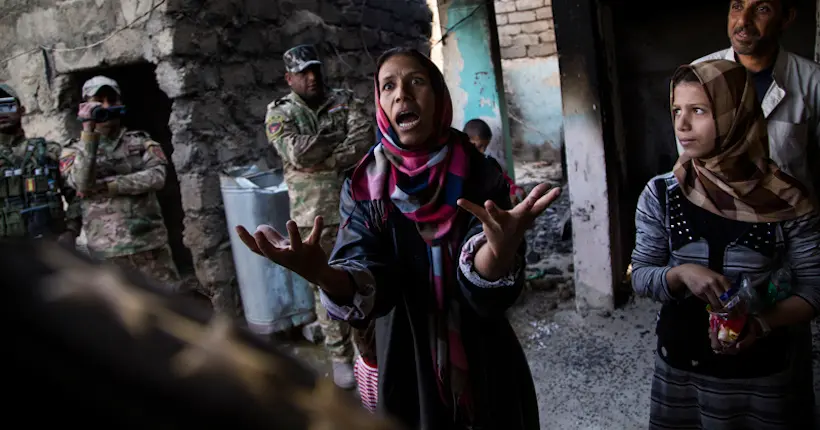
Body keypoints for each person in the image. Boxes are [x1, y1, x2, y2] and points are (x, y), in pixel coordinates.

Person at [239, 47, 552, 429]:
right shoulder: (364, 186)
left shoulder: (479, 171)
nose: (401, 93)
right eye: (388, 86)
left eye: (416, 81)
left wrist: (499, 253)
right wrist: (324, 274)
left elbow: (488, 280)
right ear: (381, 103)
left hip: (484, 354)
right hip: (405, 357)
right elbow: (370, 271)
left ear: (438, 95)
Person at [632, 59, 820, 429]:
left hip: (764, 377)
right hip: (681, 370)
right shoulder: (662, 193)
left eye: (698, 110)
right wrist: (681, 274)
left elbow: (814, 289)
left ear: (736, 114)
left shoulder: (788, 200)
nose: (681, 125)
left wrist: (762, 325)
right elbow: (640, 275)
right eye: (676, 111)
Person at [264, 44, 374, 390]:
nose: (312, 78)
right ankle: (339, 356)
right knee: (324, 284)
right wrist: (336, 143)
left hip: (357, 207)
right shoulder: (279, 113)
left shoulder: (345, 100)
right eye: (303, 73)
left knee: (361, 277)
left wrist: (324, 159)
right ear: (289, 78)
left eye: (315, 70)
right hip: (314, 216)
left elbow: (363, 138)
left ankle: (365, 353)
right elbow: (296, 153)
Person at [685, 0, 820, 201]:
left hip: (790, 220)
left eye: (762, 9)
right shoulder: (698, 75)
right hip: (719, 218)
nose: (743, 20)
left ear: (786, 18)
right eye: (737, 6)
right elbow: (689, 159)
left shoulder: (813, 80)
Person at [60, 76, 180, 291]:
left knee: (170, 308)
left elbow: (157, 177)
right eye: (98, 100)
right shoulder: (73, 150)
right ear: (85, 106)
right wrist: (89, 132)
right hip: (107, 253)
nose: (106, 106)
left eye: (111, 100)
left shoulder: (140, 141)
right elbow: (82, 184)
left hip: (149, 245)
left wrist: (111, 186)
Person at [0, 83, 80, 244]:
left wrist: (71, 230)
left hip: (50, 247)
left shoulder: (50, 151)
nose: (1, 113)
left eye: (7, 106)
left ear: (21, 110)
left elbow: (78, 194)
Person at [463, 118, 527, 205]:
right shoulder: (459, 165)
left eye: (485, 147)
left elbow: (501, 179)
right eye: (479, 146)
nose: (483, 151)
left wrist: (513, 189)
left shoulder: (487, 162)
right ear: (466, 141)